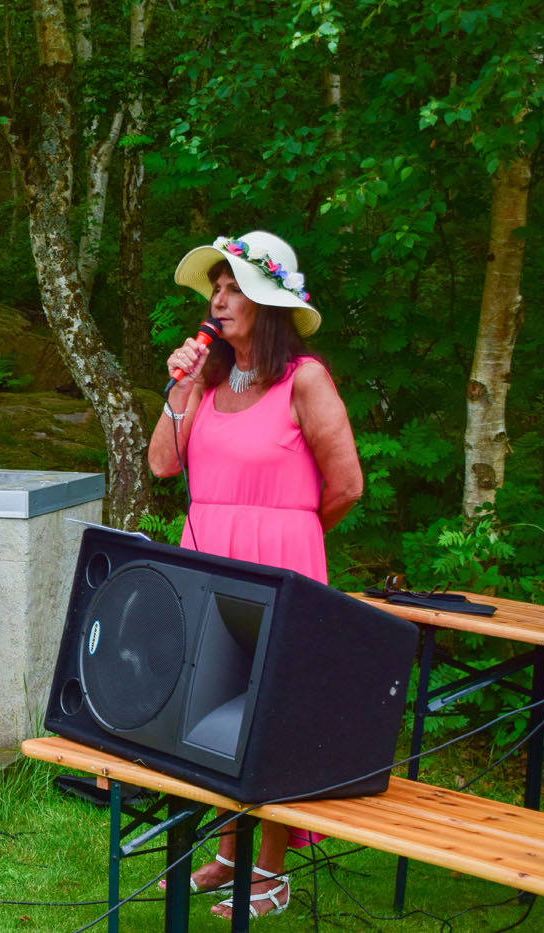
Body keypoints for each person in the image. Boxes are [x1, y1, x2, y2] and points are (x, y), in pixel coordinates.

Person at [148, 231, 363, 921]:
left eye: (232, 287)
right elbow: (162, 464)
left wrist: (290, 531)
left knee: (268, 717)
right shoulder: (209, 381)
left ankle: (270, 871)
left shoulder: (305, 379)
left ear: (266, 303)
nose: (218, 299)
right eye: (215, 288)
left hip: (281, 562)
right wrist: (180, 386)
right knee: (212, 710)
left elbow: (346, 484)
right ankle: (228, 853)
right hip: (209, 559)